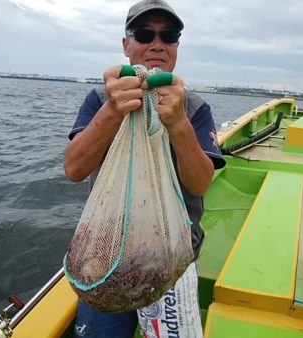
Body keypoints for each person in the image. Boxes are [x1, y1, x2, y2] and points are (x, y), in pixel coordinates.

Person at [64, 0, 226, 337]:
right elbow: (75, 169)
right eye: (144, 34)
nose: (157, 44)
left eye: (168, 35)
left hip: (173, 254)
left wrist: (179, 122)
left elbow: (199, 184)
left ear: (177, 46)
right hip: (106, 255)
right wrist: (112, 110)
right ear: (127, 44)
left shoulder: (193, 107)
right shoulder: (100, 98)